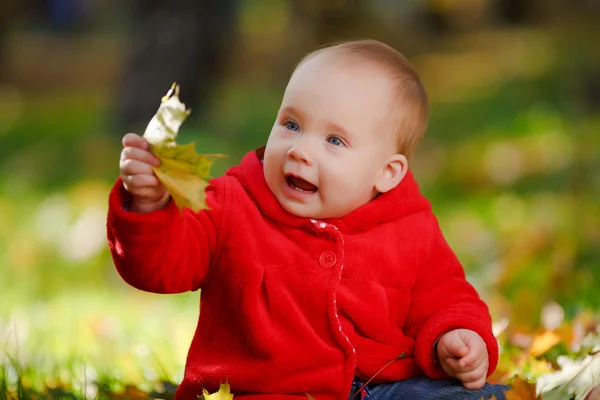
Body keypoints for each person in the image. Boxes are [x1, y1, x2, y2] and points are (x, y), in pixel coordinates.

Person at [107, 39, 510, 400]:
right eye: (291, 124)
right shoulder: (231, 204)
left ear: (387, 173)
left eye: (334, 140)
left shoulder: (410, 225)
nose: (300, 149)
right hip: (265, 391)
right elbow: (160, 265)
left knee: (480, 397)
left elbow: (445, 294)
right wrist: (148, 206)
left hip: (382, 387)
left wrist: (457, 335)